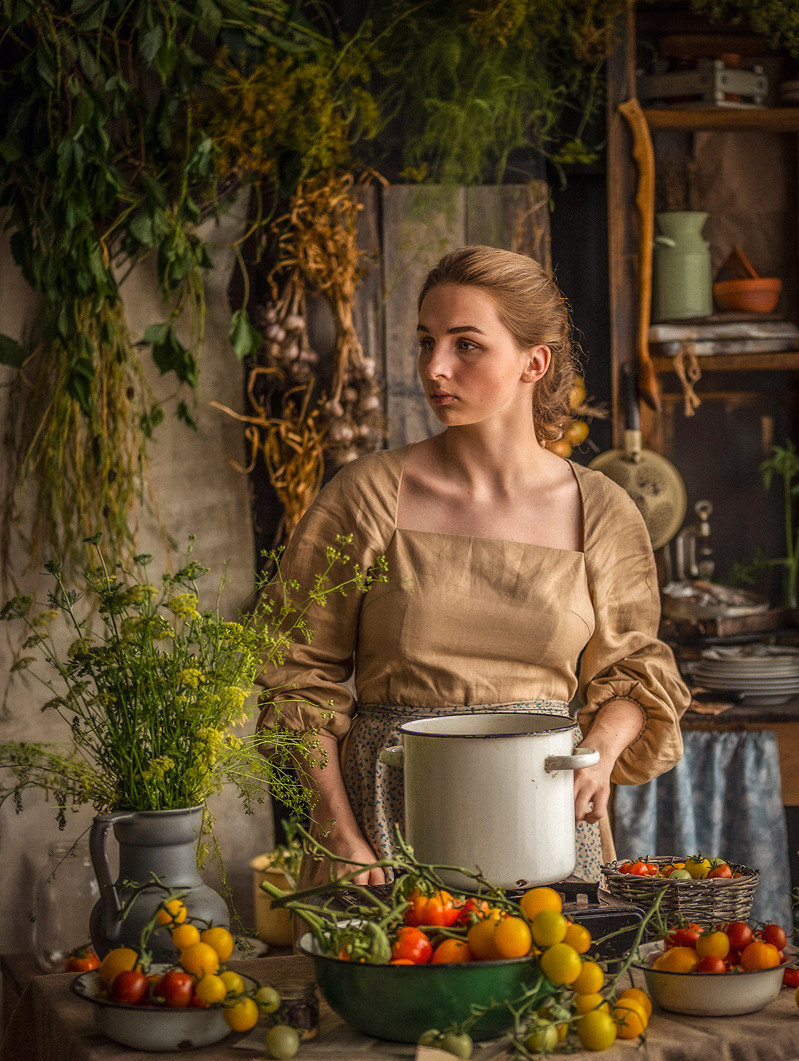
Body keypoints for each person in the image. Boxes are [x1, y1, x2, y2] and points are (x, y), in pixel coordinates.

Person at [258, 244, 691, 889]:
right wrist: (340, 836)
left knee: (552, 988)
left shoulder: (602, 509)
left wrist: (596, 760)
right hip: (384, 822)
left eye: (466, 345)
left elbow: (632, 675)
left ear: (534, 362)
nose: (435, 367)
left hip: (548, 817)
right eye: (426, 342)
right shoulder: (365, 495)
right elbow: (296, 678)